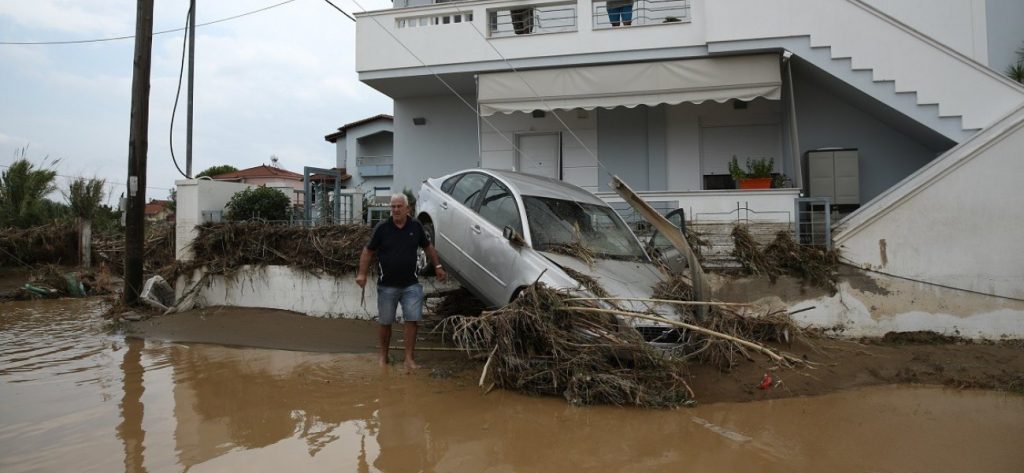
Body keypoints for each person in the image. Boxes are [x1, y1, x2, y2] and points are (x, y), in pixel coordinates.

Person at [356, 193, 446, 370]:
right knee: (385, 322)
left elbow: (428, 247)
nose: (395, 210)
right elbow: (368, 251)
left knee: (412, 321)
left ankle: (409, 359)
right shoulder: (382, 228)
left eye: (399, 206)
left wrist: (438, 267)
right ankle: (383, 357)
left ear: (407, 208)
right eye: (393, 207)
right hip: (387, 285)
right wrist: (362, 274)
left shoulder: (415, 226)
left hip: (411, 284)